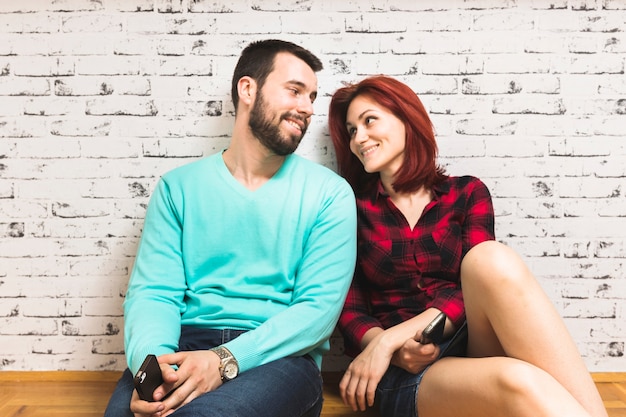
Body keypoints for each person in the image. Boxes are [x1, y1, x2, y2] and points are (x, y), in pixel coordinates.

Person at [327, 75, 608, 417]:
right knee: (518, 378)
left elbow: (473, 290)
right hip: (406, 368)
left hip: (469, 342)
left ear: (406, 118)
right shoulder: (350, 209)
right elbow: (349, 309)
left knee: (488, 258)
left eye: (369, 120)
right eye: (352, 130)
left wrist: (393, 337)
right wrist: (387, 347)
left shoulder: (467, 192)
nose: (360, 138)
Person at [103, 39, 357, 417]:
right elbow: (154, 294)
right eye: (295, 91)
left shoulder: (330, 194)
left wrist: (222, 361)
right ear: (248, 89)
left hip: (278, 359)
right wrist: (153, 371)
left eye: (312, 97)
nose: (307, 107)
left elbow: (316, 312)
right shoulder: (178, 188)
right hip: (182, 349)